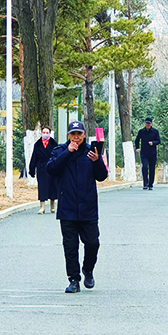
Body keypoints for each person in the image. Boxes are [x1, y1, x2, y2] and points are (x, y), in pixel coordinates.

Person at [46, 120, 108, 293]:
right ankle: (74, 280)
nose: (76, 137)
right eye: (73, 134)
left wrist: (97, 161)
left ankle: (88, 269)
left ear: (84, 134)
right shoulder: (59, 151)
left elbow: (102, 176)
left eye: (79, 134)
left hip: (88, 208)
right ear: (68, 135)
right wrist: (68, 152)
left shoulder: (91, 151)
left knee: (93, 243)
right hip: (68, 208)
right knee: (70, 247)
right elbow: (51, 169)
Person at [29, 126, 58, 214]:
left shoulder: (54, 144)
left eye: (47, 133)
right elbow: (34, 157)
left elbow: (58, 156)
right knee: (42, 187)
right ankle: (42, 207)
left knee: (52, 187)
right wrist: (32, 169)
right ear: (41, 133)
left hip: (52, 168)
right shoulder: (37, 144)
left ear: (50, 133)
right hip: (41, 168)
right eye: (44, 132)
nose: (45, 134)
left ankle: (52, 206)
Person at [134, 116, 161, 190]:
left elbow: (159, 141)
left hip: (152, 153)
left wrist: (153, 143)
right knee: (145, 167)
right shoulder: (141, 131)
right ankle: (145, 183)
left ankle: (150, 184)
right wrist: (137, 148)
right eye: (146, 123)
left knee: (152, 168)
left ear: (151, 124)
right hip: (144, 153)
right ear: (144, 124)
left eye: (149, 123)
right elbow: (137, 140)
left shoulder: (155, 131)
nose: (147, 125)